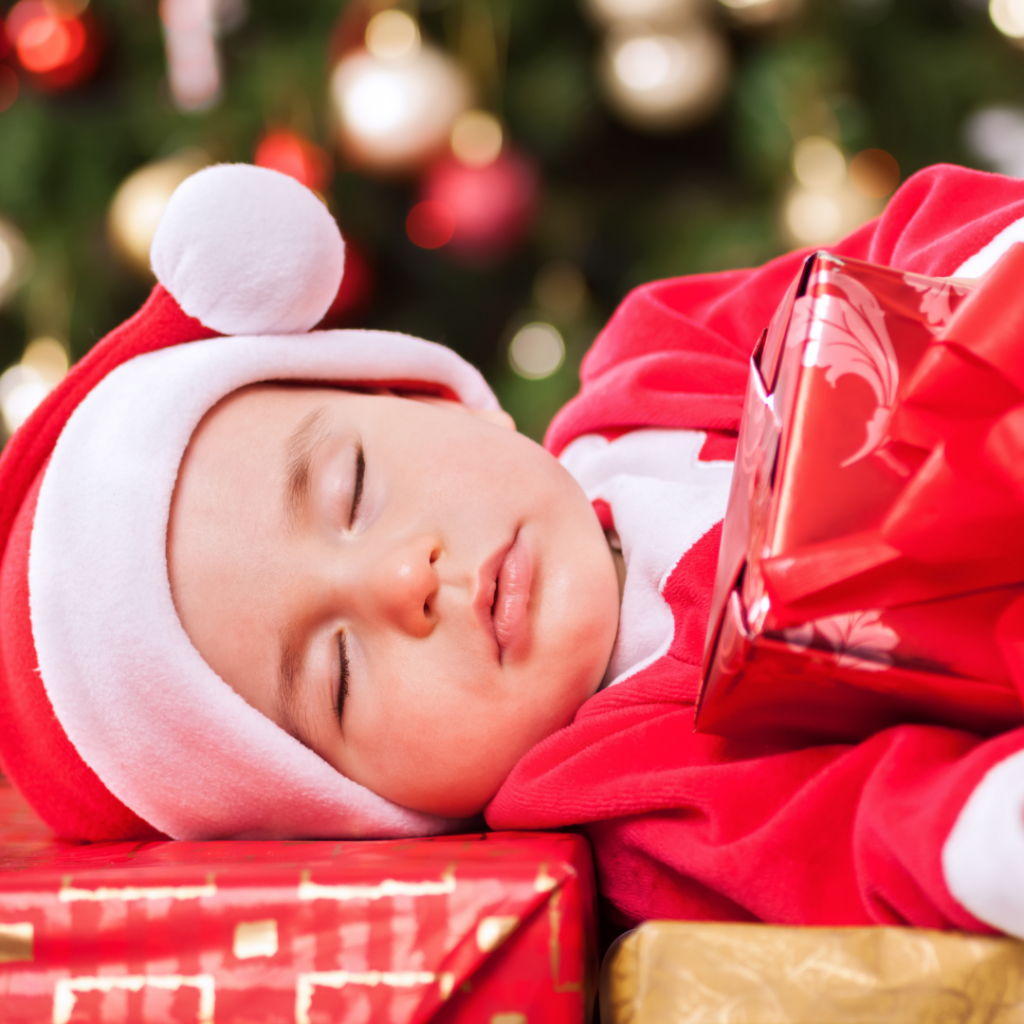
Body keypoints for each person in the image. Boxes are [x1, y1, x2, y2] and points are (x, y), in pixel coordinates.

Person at [2, 161, 1024, 940]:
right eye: (341, 676)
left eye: (354, 489)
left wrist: (986, 275)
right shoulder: (619, 790)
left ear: (422, 396)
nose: (404, 579)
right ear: (374, 812)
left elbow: (915, 235)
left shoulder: (659, 357)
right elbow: (852, 837)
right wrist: (981, 839)